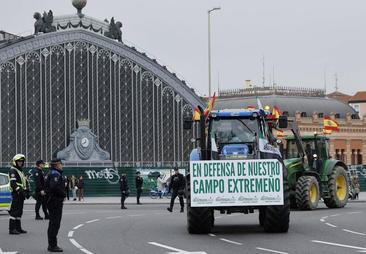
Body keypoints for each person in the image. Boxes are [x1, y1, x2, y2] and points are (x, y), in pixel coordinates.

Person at [45, 159, 66, 252]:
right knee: (55, 224)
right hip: (55, 202)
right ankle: (53, 245)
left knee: (53, 223)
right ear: (57, 165)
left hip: (53, 201)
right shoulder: (55, 174)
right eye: (61, 164)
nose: (62, 166)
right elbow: (54, 187)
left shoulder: (51, 173)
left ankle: (51, 244)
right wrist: (63, 194)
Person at [8, 154, 29, 234]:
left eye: (22, 161)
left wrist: (27, 191)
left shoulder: (20, 171)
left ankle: (18, 228)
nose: (20, 163)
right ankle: (12, 229)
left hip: (21, 193)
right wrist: (19, 191)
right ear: (15, 162)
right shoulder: (13, 170)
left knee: (19, 211)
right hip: (16, 193)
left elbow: (24, 182)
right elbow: (13, 183)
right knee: (14, 211)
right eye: (19, 161)